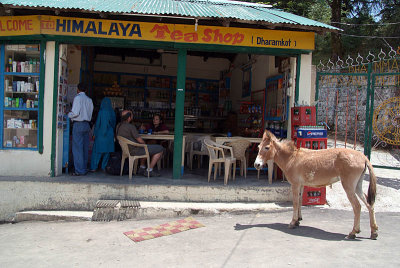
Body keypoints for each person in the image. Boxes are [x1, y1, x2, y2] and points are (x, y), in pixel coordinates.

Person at [116, 110, 163, 177]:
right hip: (135, 150)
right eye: (131, 115)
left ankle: (142, 167)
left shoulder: (118, 126)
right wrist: (145, 144)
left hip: (126, 150)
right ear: (129, 118)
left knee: (145, 147)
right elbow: (140, 141)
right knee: (160, 149)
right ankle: (149, 170)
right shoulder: (130, 127)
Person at [68, 82, 94, 176]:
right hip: (87, 125)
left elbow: (75, 113)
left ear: (77, 89)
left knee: (77, 149)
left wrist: (69, 115)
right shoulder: (89, 100)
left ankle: (79, 170)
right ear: (86, 90)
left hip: (78, 124)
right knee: (84, 148)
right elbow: (90, 114)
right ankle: (84, 168)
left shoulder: (77, 98)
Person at [90, 97, 116, 172]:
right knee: (107, 152)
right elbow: (114, 124)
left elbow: (98, 124)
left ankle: (94, 167)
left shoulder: (101, 112)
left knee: (97, 152)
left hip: (100, 134)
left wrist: (94, 133)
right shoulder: (112, 112)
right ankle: (104, 167)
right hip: (109, 135)